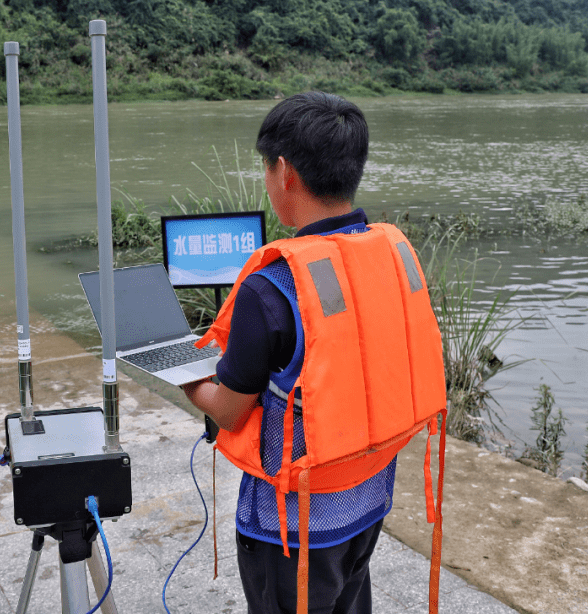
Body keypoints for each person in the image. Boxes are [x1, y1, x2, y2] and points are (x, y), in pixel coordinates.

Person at [182, 92, 446, 614]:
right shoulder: (391, 257)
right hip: (367, 501)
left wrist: (186, 379)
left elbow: (231, 410)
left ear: (284, 172)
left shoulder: (271, 286)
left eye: (264, 167)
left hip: (293, 531)